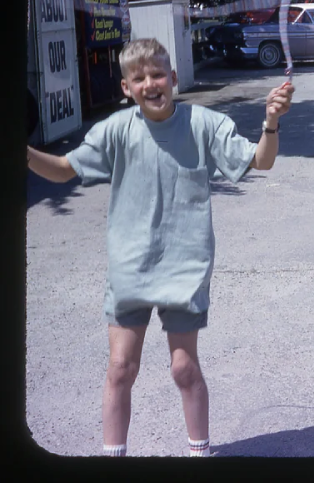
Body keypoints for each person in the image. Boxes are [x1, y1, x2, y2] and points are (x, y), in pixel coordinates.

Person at [26, 38, 294, 456]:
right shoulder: (116, 129)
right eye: (139, 78)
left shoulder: (204, 123)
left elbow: (262, 161)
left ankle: (199, 454)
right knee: (120, 368)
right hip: (129, 268)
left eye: (157, 75)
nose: (150, 83)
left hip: (185, 267)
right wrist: (23, 154)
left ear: (172, 78)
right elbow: (63, 171)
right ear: (126, 87)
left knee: (184, 368)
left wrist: (271, 123)